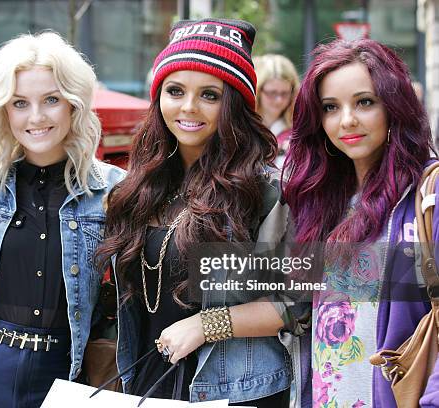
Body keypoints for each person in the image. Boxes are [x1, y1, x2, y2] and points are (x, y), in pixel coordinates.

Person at [96, 18, 309, 407]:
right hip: (146, 382)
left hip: (235, 391)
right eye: (175, 90)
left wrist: (204, 325)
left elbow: (296, 301)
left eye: (209, 95)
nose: (188, 107)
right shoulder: (140, 188)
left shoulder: (262, 191)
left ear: (234, 105)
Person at [0, 32, 126, 407]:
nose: (36, 117)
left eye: (51, 100)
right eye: (20, 103)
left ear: (73, 105)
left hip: (68, 372)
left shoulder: (114, 190)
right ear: (4, 110)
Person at [283, 39, 438, 407]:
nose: (347, 120)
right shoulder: (320, 204)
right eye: (330, 108)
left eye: (364, 102)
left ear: (394, 106)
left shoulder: (426, 195)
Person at [254, 54, 299, 166]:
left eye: (284, 93)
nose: (279, 100)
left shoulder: (298, 131)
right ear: (258, 91)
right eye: (272, 93)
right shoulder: (242, 127)